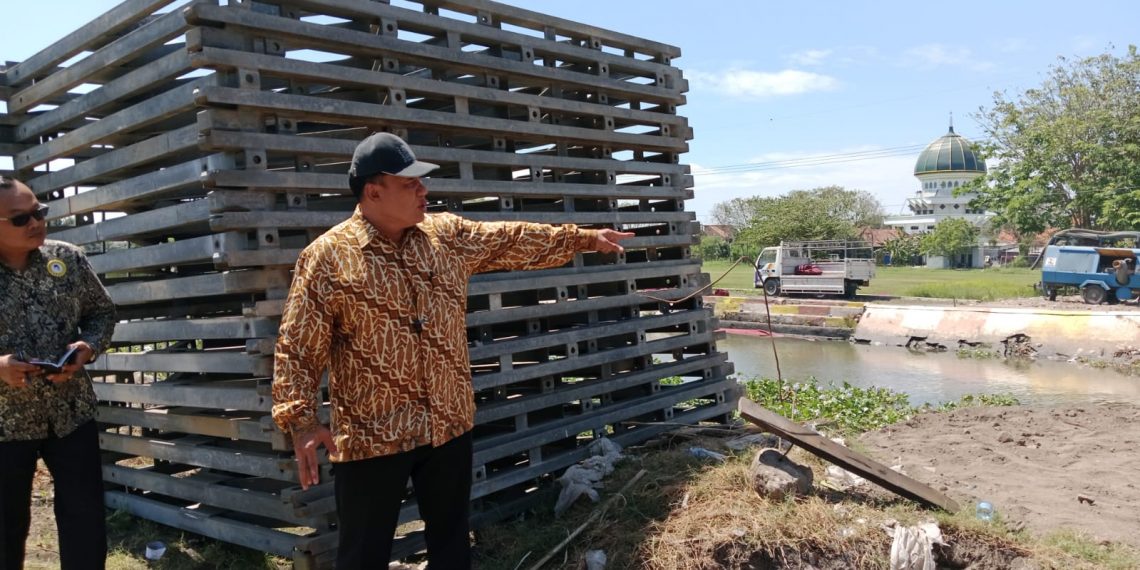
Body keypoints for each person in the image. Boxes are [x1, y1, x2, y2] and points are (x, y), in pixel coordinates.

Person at [272, 132, 633, 569]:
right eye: (410, 184)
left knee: (452, 547)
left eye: (421, 181)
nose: (423, 191)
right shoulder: (328, 258)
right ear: (373, 191)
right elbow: (298, 344)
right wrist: (302, 421)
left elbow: (511, 239)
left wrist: (583, 239)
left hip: (447, 425)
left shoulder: (446, 236)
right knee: (362, 556)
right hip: (372, 438)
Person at [0, 176, 116, 570]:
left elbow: (101, 313)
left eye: (39, 212)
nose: (35, 222)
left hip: (71, 415)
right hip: (5, 426)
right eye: (20, 219)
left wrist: (88, 347)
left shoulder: (67, 260)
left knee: (85, 520)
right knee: (5, 529)